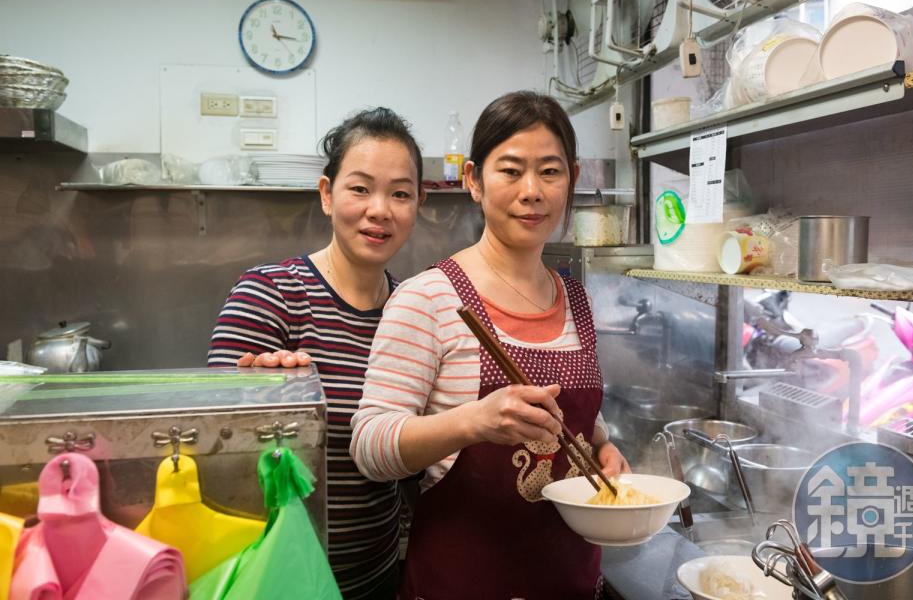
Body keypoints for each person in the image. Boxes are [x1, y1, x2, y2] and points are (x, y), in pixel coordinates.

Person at [351, 90, 628, 599]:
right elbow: (370, 446)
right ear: (474, 181)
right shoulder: (428, 298)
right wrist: (473, 422)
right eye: (510, 170)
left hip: (571, 582)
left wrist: (603, 447)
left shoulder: (576, 299)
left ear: (572, 177)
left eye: (549, 172)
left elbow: (579, 419)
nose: (532, 191)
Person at [208, 107, 425, 600]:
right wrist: (260, 400)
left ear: (418, 203)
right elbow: (218, 455)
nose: (380, 210)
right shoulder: (271, 293)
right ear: (327, 195)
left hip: (377, 578)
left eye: (400, 193)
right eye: (360, 188)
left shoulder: (414, 309)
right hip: (275, 578)